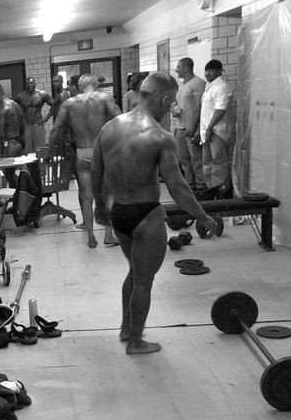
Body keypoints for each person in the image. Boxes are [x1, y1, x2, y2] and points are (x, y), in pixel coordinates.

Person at [92, 72, 217, 355]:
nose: (171, 107)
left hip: (120, 213)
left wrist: (101, 208)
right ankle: (136, 342)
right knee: (144, 282)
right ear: (164, 99)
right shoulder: (161, 137)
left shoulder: (109, 128)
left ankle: (127, 328)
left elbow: (96, 173)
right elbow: (178, 188)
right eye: (171, 102)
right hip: (146, 215)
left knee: (134, 273)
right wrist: (203, 216)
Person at [47, 73, 122, 248]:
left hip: (82, 152)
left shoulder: (69, 103)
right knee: (107, 194)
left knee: (87, 196)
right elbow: (121, 120)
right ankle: (108, 235)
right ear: (95, 84)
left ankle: (90, 237)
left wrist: (50, 153)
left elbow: (55, 129)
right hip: (102, 151)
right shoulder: (105, 98)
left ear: (79, 87)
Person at [196, 59, 233, 199]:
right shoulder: (209, 86)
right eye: (206, 70)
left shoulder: (222, 87)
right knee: (207, 162)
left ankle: (221, 192)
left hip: (217, 131)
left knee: (219, 162)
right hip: (207, 130)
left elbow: (219, 110)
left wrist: (210, 127)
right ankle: (210, 190)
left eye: (211, 70)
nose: (207, 73)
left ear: (219, 71)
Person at [172, 58, 206, 191]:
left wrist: (194, 127)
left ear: (186, 67)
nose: (176, 70)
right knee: (184, 160)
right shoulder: (182, 86)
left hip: (192, 128)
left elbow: (200, 107)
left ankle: (201, 186)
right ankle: (190, 185)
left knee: (196, 160)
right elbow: (175, 103)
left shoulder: (198, 83)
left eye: (179, 67)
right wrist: (174, 110)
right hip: (181, 128)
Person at [0, 82, 25, 188]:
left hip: (12, 142)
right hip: (18, 140)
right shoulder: (15, 105)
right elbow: (22, 125)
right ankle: (19, 197)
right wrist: (20, 140)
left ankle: (23, 195)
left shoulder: (2, 108)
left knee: (7, 172)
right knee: (9, 172)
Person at [14, 76, 54, 152]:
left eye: (31, 83)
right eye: (27, 83)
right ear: (25, 85)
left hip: (38, 123)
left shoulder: (42, 94)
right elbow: (13, 108)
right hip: (26, 125)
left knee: (40, 149)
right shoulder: (20, 96)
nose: (29, 85)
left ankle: (40, 163)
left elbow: (54, 105)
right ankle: (30, 164)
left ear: (35, 84)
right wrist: (19, 121)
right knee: (27, 149)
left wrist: (46, 118)